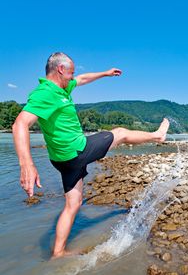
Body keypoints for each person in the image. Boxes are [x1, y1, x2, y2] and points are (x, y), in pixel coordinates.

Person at [12, 52, 170, 259]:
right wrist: (27, 164)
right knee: (120, 133)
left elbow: (82, 79)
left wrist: (105, 73)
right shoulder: (45, 93)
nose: (73, 76)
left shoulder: (62, 86)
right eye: (70, 72)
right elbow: (20, 124)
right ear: (60, 69)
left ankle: (58, 253)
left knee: (73, 204)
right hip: (77, 151)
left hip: (62, 160)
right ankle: (157, 136)